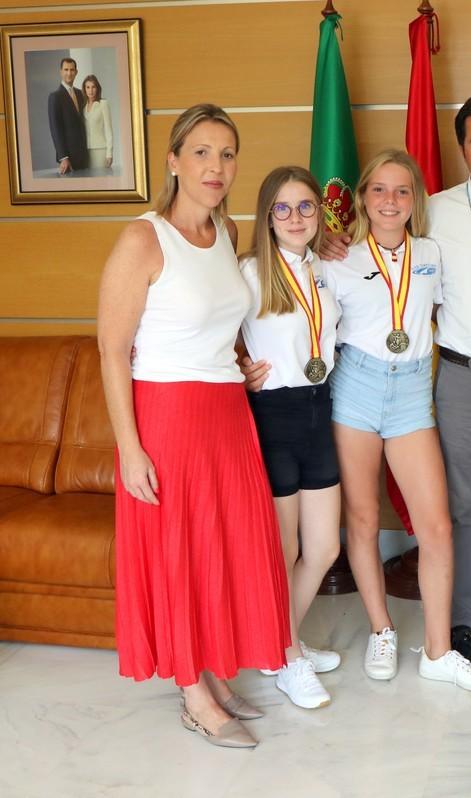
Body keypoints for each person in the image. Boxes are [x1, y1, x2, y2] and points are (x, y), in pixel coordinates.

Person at [319, 95, 471, 664]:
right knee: (457, 507)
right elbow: (380, 261)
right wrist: (326, 242)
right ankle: (458, 621)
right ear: (462, 149)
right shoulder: (435, 211)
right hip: (459, 379)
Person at [97, 104, 289, 749]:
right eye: (202, 152)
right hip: (169, 418)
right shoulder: (142, 239)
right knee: (179, 551)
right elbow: (112, 348)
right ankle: (192, 693)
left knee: (223, 546)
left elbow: (214, 318)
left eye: (227, 154)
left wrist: (237, 362)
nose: (216, 166)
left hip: (227, 414)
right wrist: (129, 448)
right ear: (174, 160)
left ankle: (209, 665)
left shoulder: (227, 230)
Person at [330, 149, 471, 691]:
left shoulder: (432, 253)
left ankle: (437, 650)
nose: (390, 201)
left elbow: (458, 312)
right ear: (362, 198)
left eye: (402, 191)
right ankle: (381, 629)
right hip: (354, 386)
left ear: (415, 201)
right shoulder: (338, 257)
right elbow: (293, 310)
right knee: (361, 519)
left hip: (409, 393)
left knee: (437, 526)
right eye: (378, 190)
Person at [238, 166, 342, 710]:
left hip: (319, 409)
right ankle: (287, 657)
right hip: (273, 416)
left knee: (324, 546)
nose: (296, 217)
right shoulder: (248, 273)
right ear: (267, 216)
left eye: (306, 207)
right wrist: (238, 369)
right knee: (286, 549)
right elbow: (206, 332)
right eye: (283, 208)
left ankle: (282, 641)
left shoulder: (328, 267)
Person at [47, 57, 87, 174]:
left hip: (84, 155)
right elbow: (55, 129)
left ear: (76, 72)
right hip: (69, 158)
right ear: (61, 72)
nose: (69, 73)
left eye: (72, 70)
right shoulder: (55, 97)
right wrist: (64, 157)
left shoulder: (80, 94)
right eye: (66, 70)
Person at [81, 74, 113, 172]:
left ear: (97, 88)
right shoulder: (83, 107)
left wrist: (109, 153)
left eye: (93, 87)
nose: (90, 90)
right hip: (85, 151)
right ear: (85, 89)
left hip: (100, 150)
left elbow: (109, 130)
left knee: (101, 179)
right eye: (88, 87)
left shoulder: (103, 104)